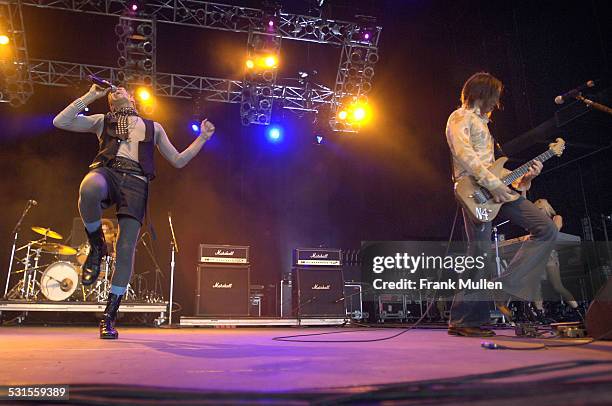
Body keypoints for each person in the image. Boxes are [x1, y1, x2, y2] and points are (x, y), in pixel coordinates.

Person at [53, 84, 215, 339]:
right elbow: (60, 121)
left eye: (123, 89)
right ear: (109, 102)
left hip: (137, 182)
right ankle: (97, 244)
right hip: (108, 170)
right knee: (89, 188)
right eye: (111, 92)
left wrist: (203, 138)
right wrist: (90, 95)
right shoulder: (102, 121)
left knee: (126, 248)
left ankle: (109, 317)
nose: (117, 89)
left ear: (132, 98)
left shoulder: (153, 127)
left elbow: (179, 160)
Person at [445, 72, 558, 337]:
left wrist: (525, 179)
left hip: (497, 191)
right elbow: (464, 155)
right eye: (494, 97)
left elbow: (497, 172)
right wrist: (494, 185)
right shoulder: (460, 117)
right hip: (476, 192)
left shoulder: (485, 127)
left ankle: (505, 286)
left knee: (546, 228)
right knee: (480, 251)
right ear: (482, 94)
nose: (497, 103)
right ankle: (463, 320)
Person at [531, 198, 580, 318]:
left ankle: (577, 310)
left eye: (540, 209)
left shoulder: (556, 218)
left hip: (549, 255)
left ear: (546, 208)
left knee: (557, 286)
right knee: (535, 285)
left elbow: (554, 231)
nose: (538, 211)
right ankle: (540, 313)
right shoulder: (536, 222)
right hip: (537, 255)